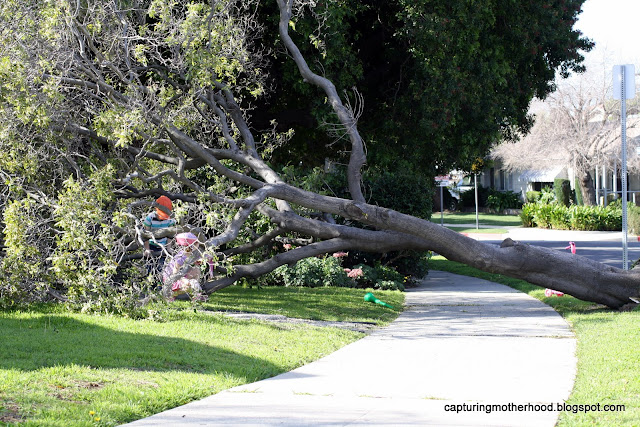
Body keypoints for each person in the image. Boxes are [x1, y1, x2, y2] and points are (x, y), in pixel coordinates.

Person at [162, 232, 208, 301]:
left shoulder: (190, 254)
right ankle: (171, 294)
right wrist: (184, 280)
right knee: (189, 285)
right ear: (192, 245)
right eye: (196, 243)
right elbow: (175, 273)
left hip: (181, 275)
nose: (198, 244)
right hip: (172, 279)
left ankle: (196, 294)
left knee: (196, 270)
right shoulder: (181, 257)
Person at [142, 195, 176, 273]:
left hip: (163, 246)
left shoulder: (170, 219)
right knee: (150, 267)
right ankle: (150, 279)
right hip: (151, 245)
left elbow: (170, 235)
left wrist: (168, 248)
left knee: (160, 268)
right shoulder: (150, 217)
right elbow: (145, 234)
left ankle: (159, 280)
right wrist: (147, 249)